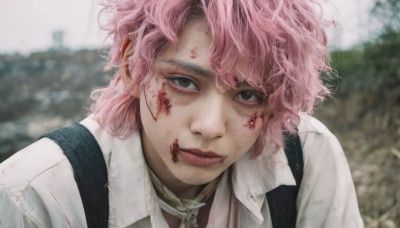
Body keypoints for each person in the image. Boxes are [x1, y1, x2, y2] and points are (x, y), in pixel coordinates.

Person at [0, 0, 364, 227]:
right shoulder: (35, 197)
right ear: (131, 65)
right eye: (184, 82)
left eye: (249, 95)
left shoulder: (306, 156)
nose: (209, 127)